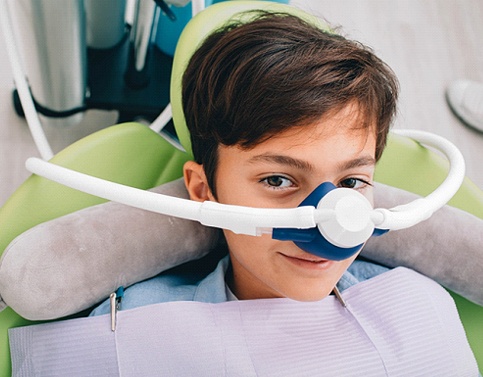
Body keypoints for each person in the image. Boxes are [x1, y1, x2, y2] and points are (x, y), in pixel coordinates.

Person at [90, 10, 478, 374]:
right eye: (278, 180)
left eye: (351, 183)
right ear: (204, 189)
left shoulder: (415, 307)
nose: (330, 224)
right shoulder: (131, 327)